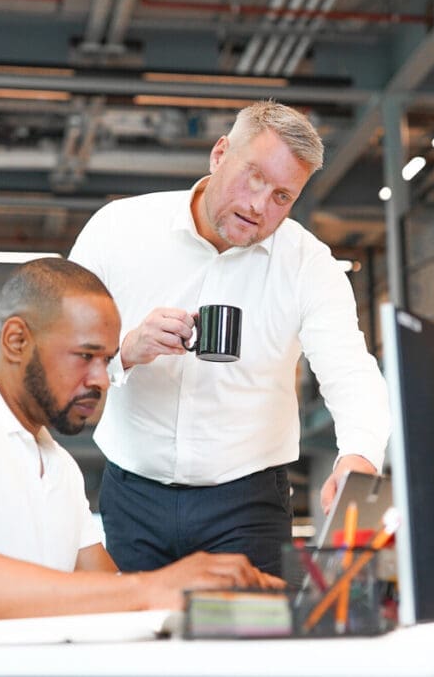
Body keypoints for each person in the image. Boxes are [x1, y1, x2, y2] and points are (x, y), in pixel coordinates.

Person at [0, 258, 280, 633]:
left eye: (107, 359)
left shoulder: (58, 464)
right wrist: (153, 586)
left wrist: (226, 602)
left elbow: (106, 594)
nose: (102, 379)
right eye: (86, 356)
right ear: (16, 341)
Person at [68, 101, 390, 577]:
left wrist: (360, 454)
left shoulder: (308, 263)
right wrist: (127, 351)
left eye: (282, 196)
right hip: (132, 495)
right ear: (220, 155)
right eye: (253, 177)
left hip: (248, 505)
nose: (260, 205)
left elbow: (350, 370)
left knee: (252, 647)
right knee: (134, 643)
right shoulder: (118, 231)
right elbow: (65, 348)